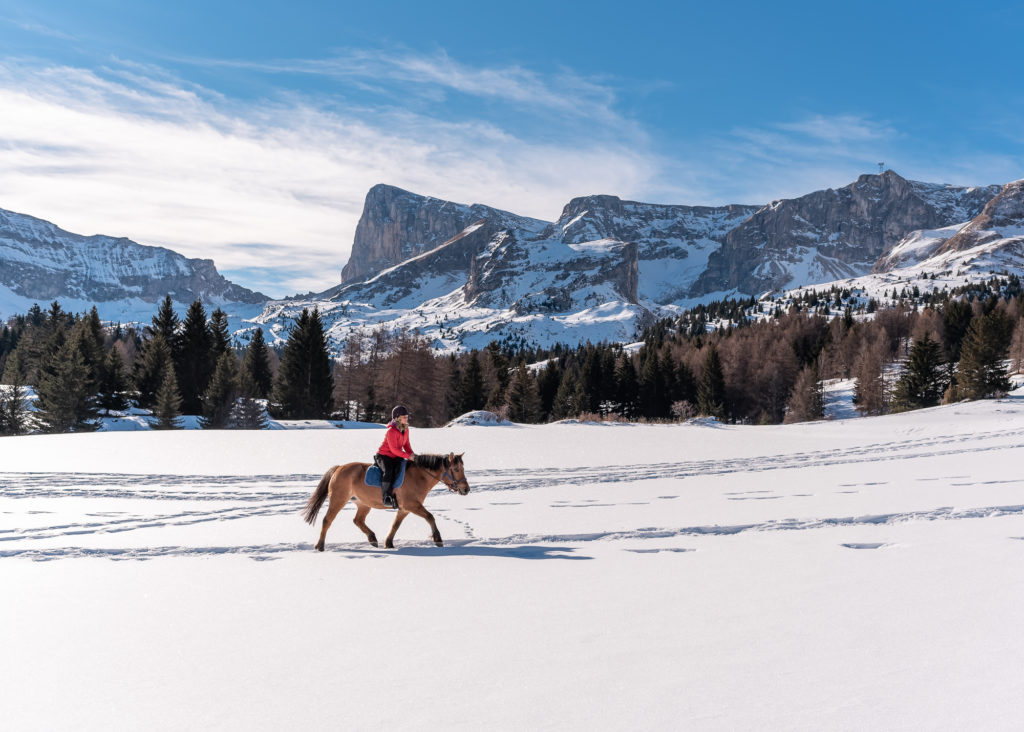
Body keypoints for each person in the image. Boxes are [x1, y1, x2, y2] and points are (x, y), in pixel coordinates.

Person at [375, 405, 415, 508]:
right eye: (404, 417)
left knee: (402, 469)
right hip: (384, 456)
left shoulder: (406, 430)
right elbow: (394, 450)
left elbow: (406, 445)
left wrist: (412, 455)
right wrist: (407, 456)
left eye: (407, 416)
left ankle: (399, 494)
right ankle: (386, 496)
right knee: (389, 471)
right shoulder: (391, 431)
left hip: (395, 456)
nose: (406, 418)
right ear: (397, 418)